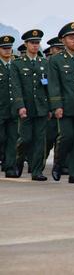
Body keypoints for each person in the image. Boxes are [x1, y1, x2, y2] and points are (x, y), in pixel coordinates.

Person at [47, 22, 74, 183]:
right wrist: (57, 105)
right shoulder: (56, 60)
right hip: (65, 106)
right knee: (67, 137)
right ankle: (58, 163)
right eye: (71, 37)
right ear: (63, 40)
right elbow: (54, 84)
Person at [10, 29, 50, 180]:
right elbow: (15, 86)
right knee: (25, 138)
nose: (35, 46)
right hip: (26, 106)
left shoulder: (44, 63)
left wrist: (50, 107)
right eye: (32, 43)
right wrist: (20, 106)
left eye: (37, 43)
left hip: (41, 107)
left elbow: (49, 86)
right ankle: (18, 162)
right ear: (26, 44)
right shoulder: (18, 64)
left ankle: (37, 171)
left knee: (40, 140)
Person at [0, 35, 19, 178]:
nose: (7, 51)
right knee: (1, 138)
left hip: (13, 109)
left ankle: (10, 166)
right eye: (4, 48)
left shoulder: (16, 65)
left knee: (13, 139)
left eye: (9, 48)